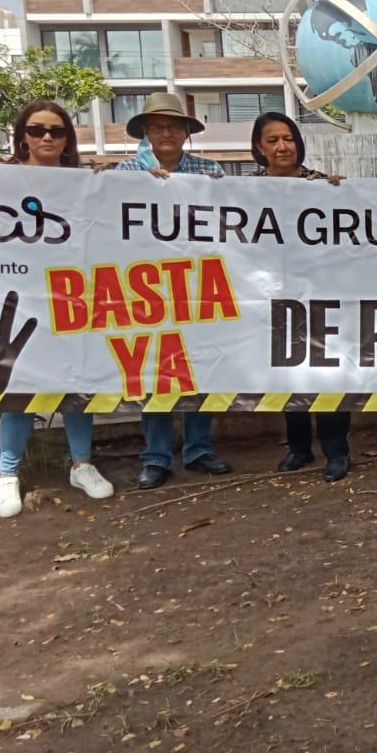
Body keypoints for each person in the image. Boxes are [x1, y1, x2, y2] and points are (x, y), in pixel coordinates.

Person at [0, 101, 115, 517]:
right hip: (17, 299)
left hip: (73, 299)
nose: (47, 137)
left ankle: (82, 464)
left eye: (57, 131)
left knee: (76, 383)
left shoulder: (84, 182)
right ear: (22, 134)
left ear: (67, 139)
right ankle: (7, 474)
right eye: (38, 129)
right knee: (17, 386)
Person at [113, 93, 232, 489]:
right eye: (158, 126)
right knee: (156, 372)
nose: (166, 133)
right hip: (147, 285)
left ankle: (199, 450)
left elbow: (233, 214)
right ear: (146, 132)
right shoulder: (124, 173)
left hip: (199, 282)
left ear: (185, 133)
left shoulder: (209, 171)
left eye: (173, 126)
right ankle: (157, 456)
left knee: (201, 368)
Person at [253, 112, 352, 482]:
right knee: (288, 371)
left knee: (328, 372)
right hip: (273, 295)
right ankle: (298, 447)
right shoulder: (244, 190)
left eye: (289, 138)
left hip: (322, 293)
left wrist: (342, 191)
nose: (283, 146)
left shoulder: (320, 185)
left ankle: (336, 450)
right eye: (273, 140)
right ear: (259, 148)